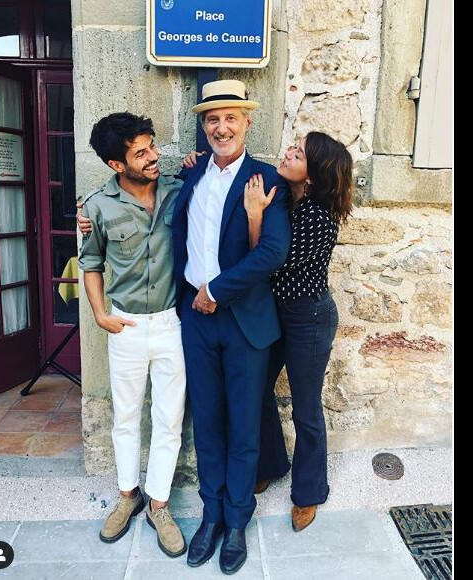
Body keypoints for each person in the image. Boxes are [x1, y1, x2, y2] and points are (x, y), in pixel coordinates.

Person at [183, 131, 353, 533]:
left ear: (314, 173)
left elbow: (271, 260)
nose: (288, 152)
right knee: (257, 391)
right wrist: (193, 163)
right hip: (272, 313)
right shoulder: (287, 197)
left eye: (299, 153)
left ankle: (308, 491)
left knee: (306, 406)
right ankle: (272, 464)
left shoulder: (316, 213)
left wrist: (256, 215)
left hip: (307, 317)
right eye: (292, 146)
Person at [173, 79, 291, 575]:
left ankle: (238, 519)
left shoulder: (266, 180)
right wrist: (90, 217)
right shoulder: (193, 173)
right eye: (212, 119)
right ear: (203, 127)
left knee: (244, 425)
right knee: (208, 422)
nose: (221, 127)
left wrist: (216, 290)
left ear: (247, 122)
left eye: (230, 118)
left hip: (242, 322)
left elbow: (272, 251)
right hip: (195, 323)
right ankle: (211, 515)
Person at [78, 112, 187, 558]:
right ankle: (128, 496)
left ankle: (159, 504)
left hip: (172, 324)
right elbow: (91, 263)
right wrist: (101, 313)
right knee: (126, 419)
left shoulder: (180, 191)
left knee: (169, 419)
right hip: (124, 326)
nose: (153, 157)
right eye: (140, 152)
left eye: (152, 146)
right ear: (115, 164)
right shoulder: (98, 206)